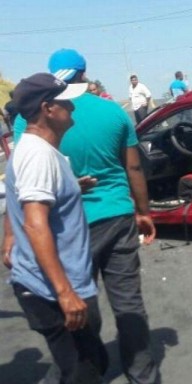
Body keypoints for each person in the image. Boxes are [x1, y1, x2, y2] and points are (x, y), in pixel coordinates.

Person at [13, 49, 160, 383]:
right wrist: (143, 211)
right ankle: (140, 374)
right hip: (115, 216)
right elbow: (133, 166)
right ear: (83, 73)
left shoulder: (26, 121)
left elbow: (21, 180)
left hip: (69, 227)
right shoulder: (112, 112)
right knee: (128, 304)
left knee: (83, 306)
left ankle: (86, 364)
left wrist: (10, 234)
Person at [5, 73, 108, 382]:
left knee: (88, 363)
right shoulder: (38, 156)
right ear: (48, 109)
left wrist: (71, 188)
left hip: (51, 283)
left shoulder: (39, 151)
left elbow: (27, 199)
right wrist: (65, 293)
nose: (73, 108)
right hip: (52, 290)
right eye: (67, 103)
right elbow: (36, 225)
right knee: (83, 371)